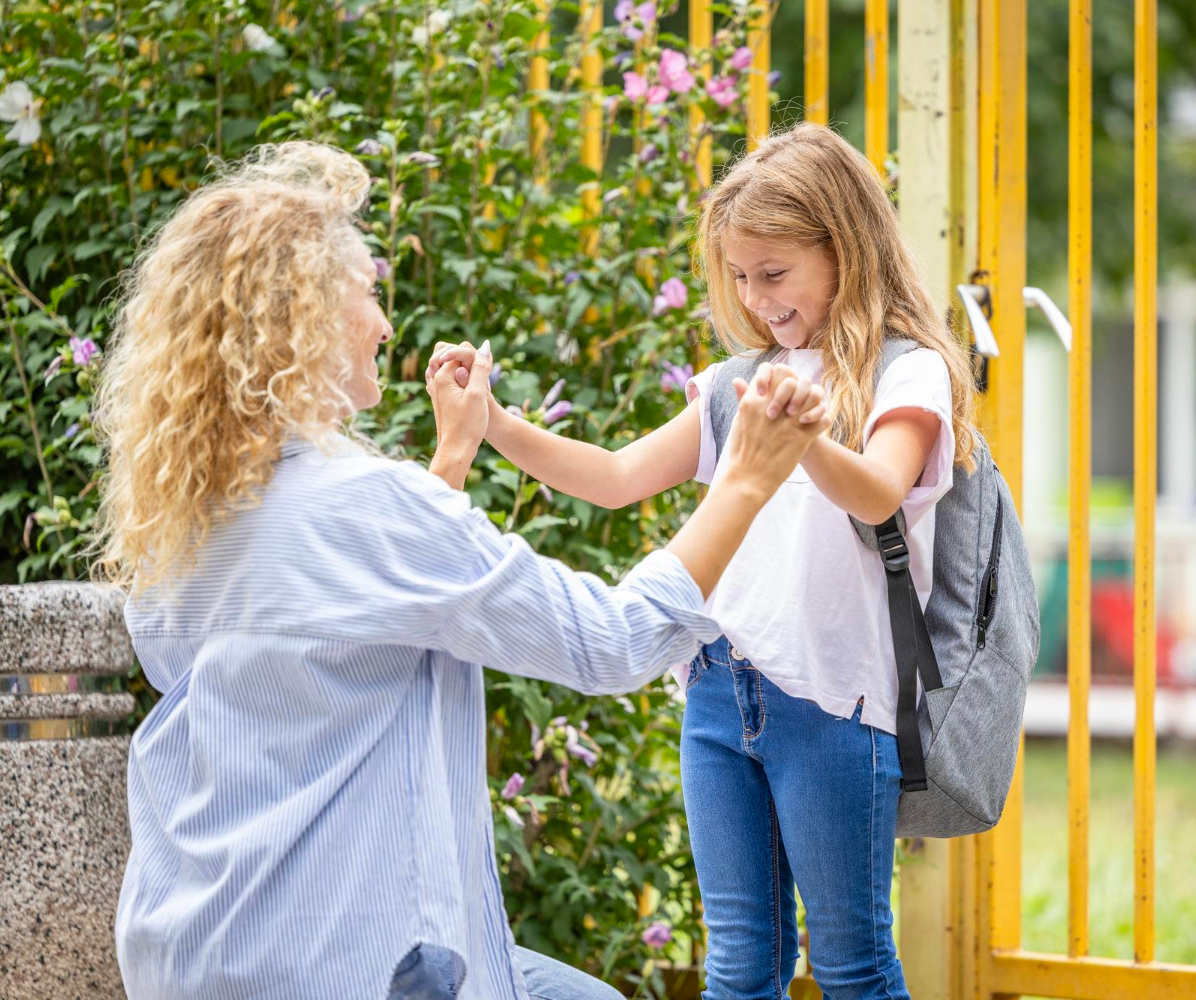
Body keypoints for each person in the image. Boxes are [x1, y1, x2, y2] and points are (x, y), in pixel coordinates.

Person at [94, 141, 828, 1000]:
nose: (383, 321)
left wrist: (451, 460)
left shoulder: (182, 522)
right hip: (355, 962)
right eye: (368, 292)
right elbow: (611, 644)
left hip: (192, 948)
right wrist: (744, 480)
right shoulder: (367, 507)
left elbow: (345, 643)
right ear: (305, 316)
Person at [431, 122, 980, 999]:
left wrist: (792, 438)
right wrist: (494, 423)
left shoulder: (903, 372)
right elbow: (613, 478)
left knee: (851, 963)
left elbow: (880, 491)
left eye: (775, 273)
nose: (757, 298)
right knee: (738, 961)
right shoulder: (737, 386)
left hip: (837, 705)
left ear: (845, 249)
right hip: (721, 695)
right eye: (739, 276)